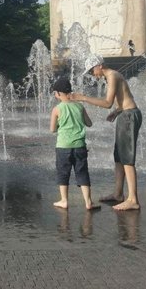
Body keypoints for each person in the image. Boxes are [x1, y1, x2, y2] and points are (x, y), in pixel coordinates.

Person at [71, 54, 143, 211]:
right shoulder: (112, 76)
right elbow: (123, 99)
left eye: (91, 71)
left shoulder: (112, 76)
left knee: (127, 158)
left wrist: (83, 98)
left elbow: (107, 103)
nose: (92, 75)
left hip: (130, 116)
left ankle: (133, 199)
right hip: (125, 114)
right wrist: (117, 112)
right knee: (119, 156)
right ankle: (118, 194)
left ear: (99, 66)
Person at [49, 76, 99, 211]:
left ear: (59, 94)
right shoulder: (80, 106)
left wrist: (61, 125)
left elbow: (53, 129)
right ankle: (88, 202)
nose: (54, 95)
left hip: (63, 147)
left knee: (63, 173)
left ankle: (64, 201)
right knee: (82, 173)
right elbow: (89, 123)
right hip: (79, 146)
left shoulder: (57, 109)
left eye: (55, 92)